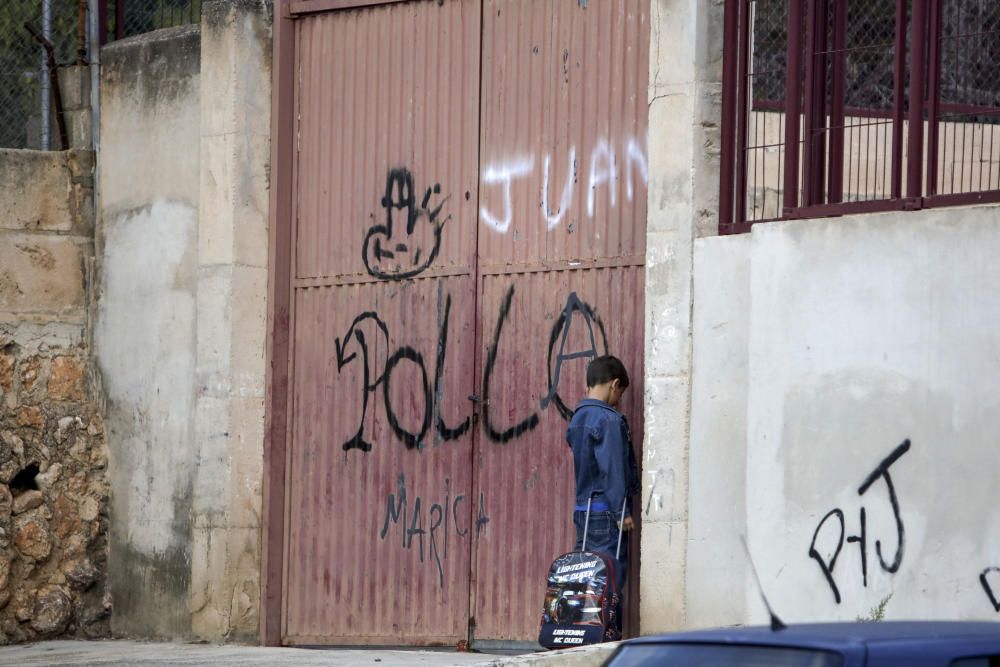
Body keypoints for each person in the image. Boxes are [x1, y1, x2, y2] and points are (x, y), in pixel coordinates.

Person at [566, 355, 640, 587]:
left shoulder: (577, 418)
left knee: (586, 580)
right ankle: (608, 625)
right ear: (614, 384)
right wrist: (622, 511)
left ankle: (586, 625)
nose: (618, 401)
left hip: (583, 510)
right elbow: (612, 468)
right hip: (606, 513)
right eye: (620, 394)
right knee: (609, 581)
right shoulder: (608, 420)